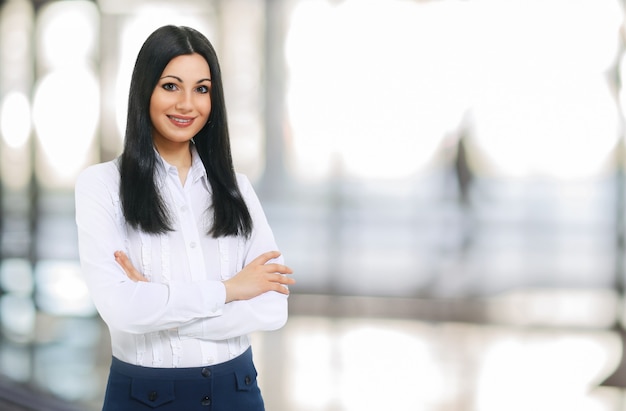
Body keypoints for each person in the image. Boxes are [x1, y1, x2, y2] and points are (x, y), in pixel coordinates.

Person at [75, 25, 295, 411]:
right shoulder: (101, 186)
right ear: (145, 89)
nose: (187, 104)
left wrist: (159, 303)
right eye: (171, 86)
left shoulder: (236, 189)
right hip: (145, 397)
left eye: (202, 89)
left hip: (237, 391)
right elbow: (120, 308)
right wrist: (230, 289)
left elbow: (273, 306)